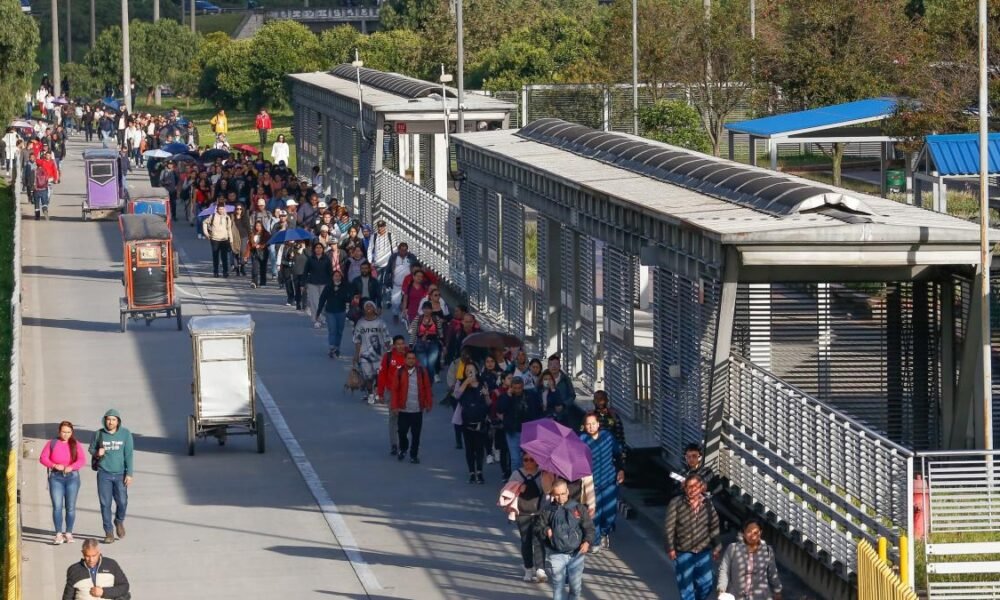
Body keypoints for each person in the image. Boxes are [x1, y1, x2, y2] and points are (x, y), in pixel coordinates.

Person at [665, 474, 721, 600]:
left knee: (706, 584)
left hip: (703, 550)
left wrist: (717, 546)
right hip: (683, 551)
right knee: (685, 587)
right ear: (685, 488)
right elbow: (669, 527)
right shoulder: (676, 503)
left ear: (701, 488)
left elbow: (714, 525)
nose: (692, 489)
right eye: (689, 487)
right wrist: (670, 548)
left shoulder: (707, 504)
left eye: (695, 486)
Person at [537, 479, 595, 600]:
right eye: (557, 494)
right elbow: (538, 528)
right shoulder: (548, 510)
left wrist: (587, 542)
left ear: (567, 491)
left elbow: (589, 527)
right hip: (556, 552)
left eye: (563, 493)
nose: (560, 497)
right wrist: (546, 531)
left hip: (576, 553)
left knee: (575, 587)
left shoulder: (578, 508)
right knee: (558, 585)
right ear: (552, 494)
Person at [579, 412, 624, 553]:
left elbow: (618, 454)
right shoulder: (582, 440)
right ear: (584, 426)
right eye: (588, 424)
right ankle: (596, 540)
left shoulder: (607, 436)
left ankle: (605, 531)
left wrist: (621, 469)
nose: (591, 427)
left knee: (609, 513)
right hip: (591, 484)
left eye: (593, 423)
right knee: (595, 513)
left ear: (598, 424)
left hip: (609, 480)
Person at [505, 454, 554, 583]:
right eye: (525, 459)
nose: (528, 462)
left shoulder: (543, 473)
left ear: (537, 461)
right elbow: (507, 491)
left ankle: (540, 569)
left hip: (539, 513)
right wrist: (518, 488)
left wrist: (547, 477)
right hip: (523, 513)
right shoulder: (517, 474)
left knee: (539, 541)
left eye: (531, 459)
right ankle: (528, 568)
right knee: (526, 541)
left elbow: (547, 492)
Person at [89, 409, 135, 544]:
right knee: (105, 504)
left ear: (118, 421)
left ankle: (119, 521)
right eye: (108, 419)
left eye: (113, 419)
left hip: (120, 473)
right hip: (104, 474)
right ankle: (108, 532)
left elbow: (129, 455)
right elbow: (91, 449)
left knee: (122, 501)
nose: (111, 422)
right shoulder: (99, 434)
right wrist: (98, 452)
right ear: (105, 420)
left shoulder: (125, 434)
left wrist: (129, 473)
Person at [39, 421, 87, 545]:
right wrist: (54, 465)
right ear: (59, 431)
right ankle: (59, 534)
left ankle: (69, 533)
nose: (65, 435)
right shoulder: (52, 443)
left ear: (72, 433)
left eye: (68, 432)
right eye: (63, 432)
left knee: (70, 507)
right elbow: (43, 458)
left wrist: (72, 467)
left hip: (72, 477)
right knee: (57, 506)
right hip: (56, 477)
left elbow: (82, 460)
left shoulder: (75, 444)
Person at [717, 518, 783, 600]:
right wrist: (721, 590)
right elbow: (724, 570)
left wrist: (777, 591)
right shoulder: (733, 548)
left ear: (760, 533)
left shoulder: (767, 550)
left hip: (761, 596)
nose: (752, 535)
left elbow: (772, 572)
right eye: (749, 531)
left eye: (755, 532)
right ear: (744, 532)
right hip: (737, 595)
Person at [390, 350, 433, 464]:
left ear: (416, 360)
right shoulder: (399, 372)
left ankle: (414, 455)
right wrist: (394, 406)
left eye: (413, 358)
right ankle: (403, 448)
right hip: (403, 409)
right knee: (402, 432)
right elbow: (394, 390)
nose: (411, 360)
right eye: (409, 358)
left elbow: (427, 388)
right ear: (405, 360)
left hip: (417, 409)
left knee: (416, 434)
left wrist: (428, 403)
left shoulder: (422, 372)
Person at [498, 376, 543, 479]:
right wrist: (508, 396)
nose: (517, 390)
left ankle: (528, 477)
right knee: (515, 459)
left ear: (523, 386)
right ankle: (516, 479)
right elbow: (500, 409)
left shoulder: (530, 396)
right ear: (511, 387)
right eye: (515, 388)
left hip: (528, 431)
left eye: (519, 388)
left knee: (529, 457)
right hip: (513, 431)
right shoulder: (506, 396)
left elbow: (536, 410)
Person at [62, 539, 131, 600]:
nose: (91, 560)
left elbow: (124, 586)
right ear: (82, 553)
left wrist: (104, 592)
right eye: (87, 556)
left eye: (94, 556)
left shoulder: (111, 564)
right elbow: (67, 597)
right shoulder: (74, 570)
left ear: (99, 552)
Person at [456, 364, 490, 484]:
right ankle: (471, 472)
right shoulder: (462, 384)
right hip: (467, 422)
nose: (470, 372)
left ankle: (479, 471)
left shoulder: (482, 384)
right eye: (467, 371)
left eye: (472, 370)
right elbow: (456, 396)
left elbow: (489, 403)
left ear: (476, 371)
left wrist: (486, 394)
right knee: (469, 449)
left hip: (480, 422)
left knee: (480, 448)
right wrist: (466, 383)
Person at [376, 335, 409, 456]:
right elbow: (382, 375)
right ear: (394, 345)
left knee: (404, 419)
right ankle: (394, 444)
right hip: (392, 392)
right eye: (398, 344)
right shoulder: (388, 357)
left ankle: (403, 442)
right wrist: (380, 393)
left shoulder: (409, 356)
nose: (401, 346)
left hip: (407, 393)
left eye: (402, 343)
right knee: (393, 418)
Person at [353, 300, 392, 404]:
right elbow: (357, 340)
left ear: (374, 309)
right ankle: (370, 393)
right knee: (368, 376)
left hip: (380, 355)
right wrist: (356, 355)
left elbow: (387, 338)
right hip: (364, 355)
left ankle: (377, 391)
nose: (369, 307)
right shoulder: (360, 323)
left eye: (371, 305)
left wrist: (389, 352)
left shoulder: (380, 322)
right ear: (364, 309)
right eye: (366, 306)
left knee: (379, 375)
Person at [316, 270, 353, 358]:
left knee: (339, 331)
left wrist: (349, 298)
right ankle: (332, 347)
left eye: (339, 276)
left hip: (341, 311)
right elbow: (322, 299)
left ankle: (337, 348)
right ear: (332, 277)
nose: (337, 277)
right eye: (335, 276)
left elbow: (349, 299)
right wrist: (318, 312)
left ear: (341, 277)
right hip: (330, 312)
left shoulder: (345, 286)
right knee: (332, 330)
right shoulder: (328, 287)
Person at [409, 301, 445, 382]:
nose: (426, 311)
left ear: (431, 310)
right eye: (425, 309)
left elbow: (440, 332)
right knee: (424, 365)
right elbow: (413, 332)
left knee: (431, 365)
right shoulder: (418, 319)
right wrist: (411, 345)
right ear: (422, 309)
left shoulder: (436, 319)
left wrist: (443, 344)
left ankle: (429, 385)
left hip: (433, 344)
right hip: (420, 344)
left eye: (428, 309)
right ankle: (424, 383)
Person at [304, 242, 334, 328]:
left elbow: (330, 272)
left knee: (323, 302)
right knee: (314, 303)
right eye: (317, 247)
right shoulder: (310, 259)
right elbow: (305, 272)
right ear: (314, 249)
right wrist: (303, 284)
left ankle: (322, 317)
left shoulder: (327, 259)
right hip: (312, 283)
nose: (318, 249)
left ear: (323, 249)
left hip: (324, 283)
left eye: (320, 248)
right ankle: (316, 320)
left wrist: (332, 283)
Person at [385, 243, 417, 321]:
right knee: (395, 301)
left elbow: (416, 268)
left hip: (408, 284)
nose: (403, 252)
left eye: (405, 250)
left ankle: (406, 316)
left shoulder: (411, 257)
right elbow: (388, 269)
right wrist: (387, 281)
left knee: (408, 302)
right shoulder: (393, 257)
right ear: (398, 249)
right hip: (397, 284)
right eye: (402, 250)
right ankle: (395, 314)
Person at [203, 203, 233, 278]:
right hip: (215, 239)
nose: (221, 210)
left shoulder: (227, 217)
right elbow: (204, 222)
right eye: (219, 209)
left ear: (224, 209)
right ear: (217, 209)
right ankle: (215, 271)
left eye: (222, 209)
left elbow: (229, 229)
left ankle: (225, 271)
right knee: (215, 256)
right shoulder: (212, 216)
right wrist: (206, 233)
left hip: (224, 239)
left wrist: (231, 239)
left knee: (224, 256)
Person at [246, 220, 270, 288]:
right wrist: (246, 255)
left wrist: (261, 245)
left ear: (262, 226)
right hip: (254, 252)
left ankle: (263, 282)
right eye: (256, 226)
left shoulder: (266, 234)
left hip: (263, 252)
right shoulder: (252, 233)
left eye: (259, 226)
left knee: (263, 268)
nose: (258, 227)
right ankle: (254, 282)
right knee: (254, 268)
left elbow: (268, 242)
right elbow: (249, 245)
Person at [159, 161, 180, 227]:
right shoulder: (163, 171)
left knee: (173, 203)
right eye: (169, 164)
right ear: (167, 165)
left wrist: (176, 187)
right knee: (166, 204)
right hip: (166, 190)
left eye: (171, 164)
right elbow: (160, 181)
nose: (170, 165)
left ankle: (174, 216)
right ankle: (165, 216)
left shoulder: (174, 172)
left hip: (173, 190)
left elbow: (177, 180)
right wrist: (165, 183)